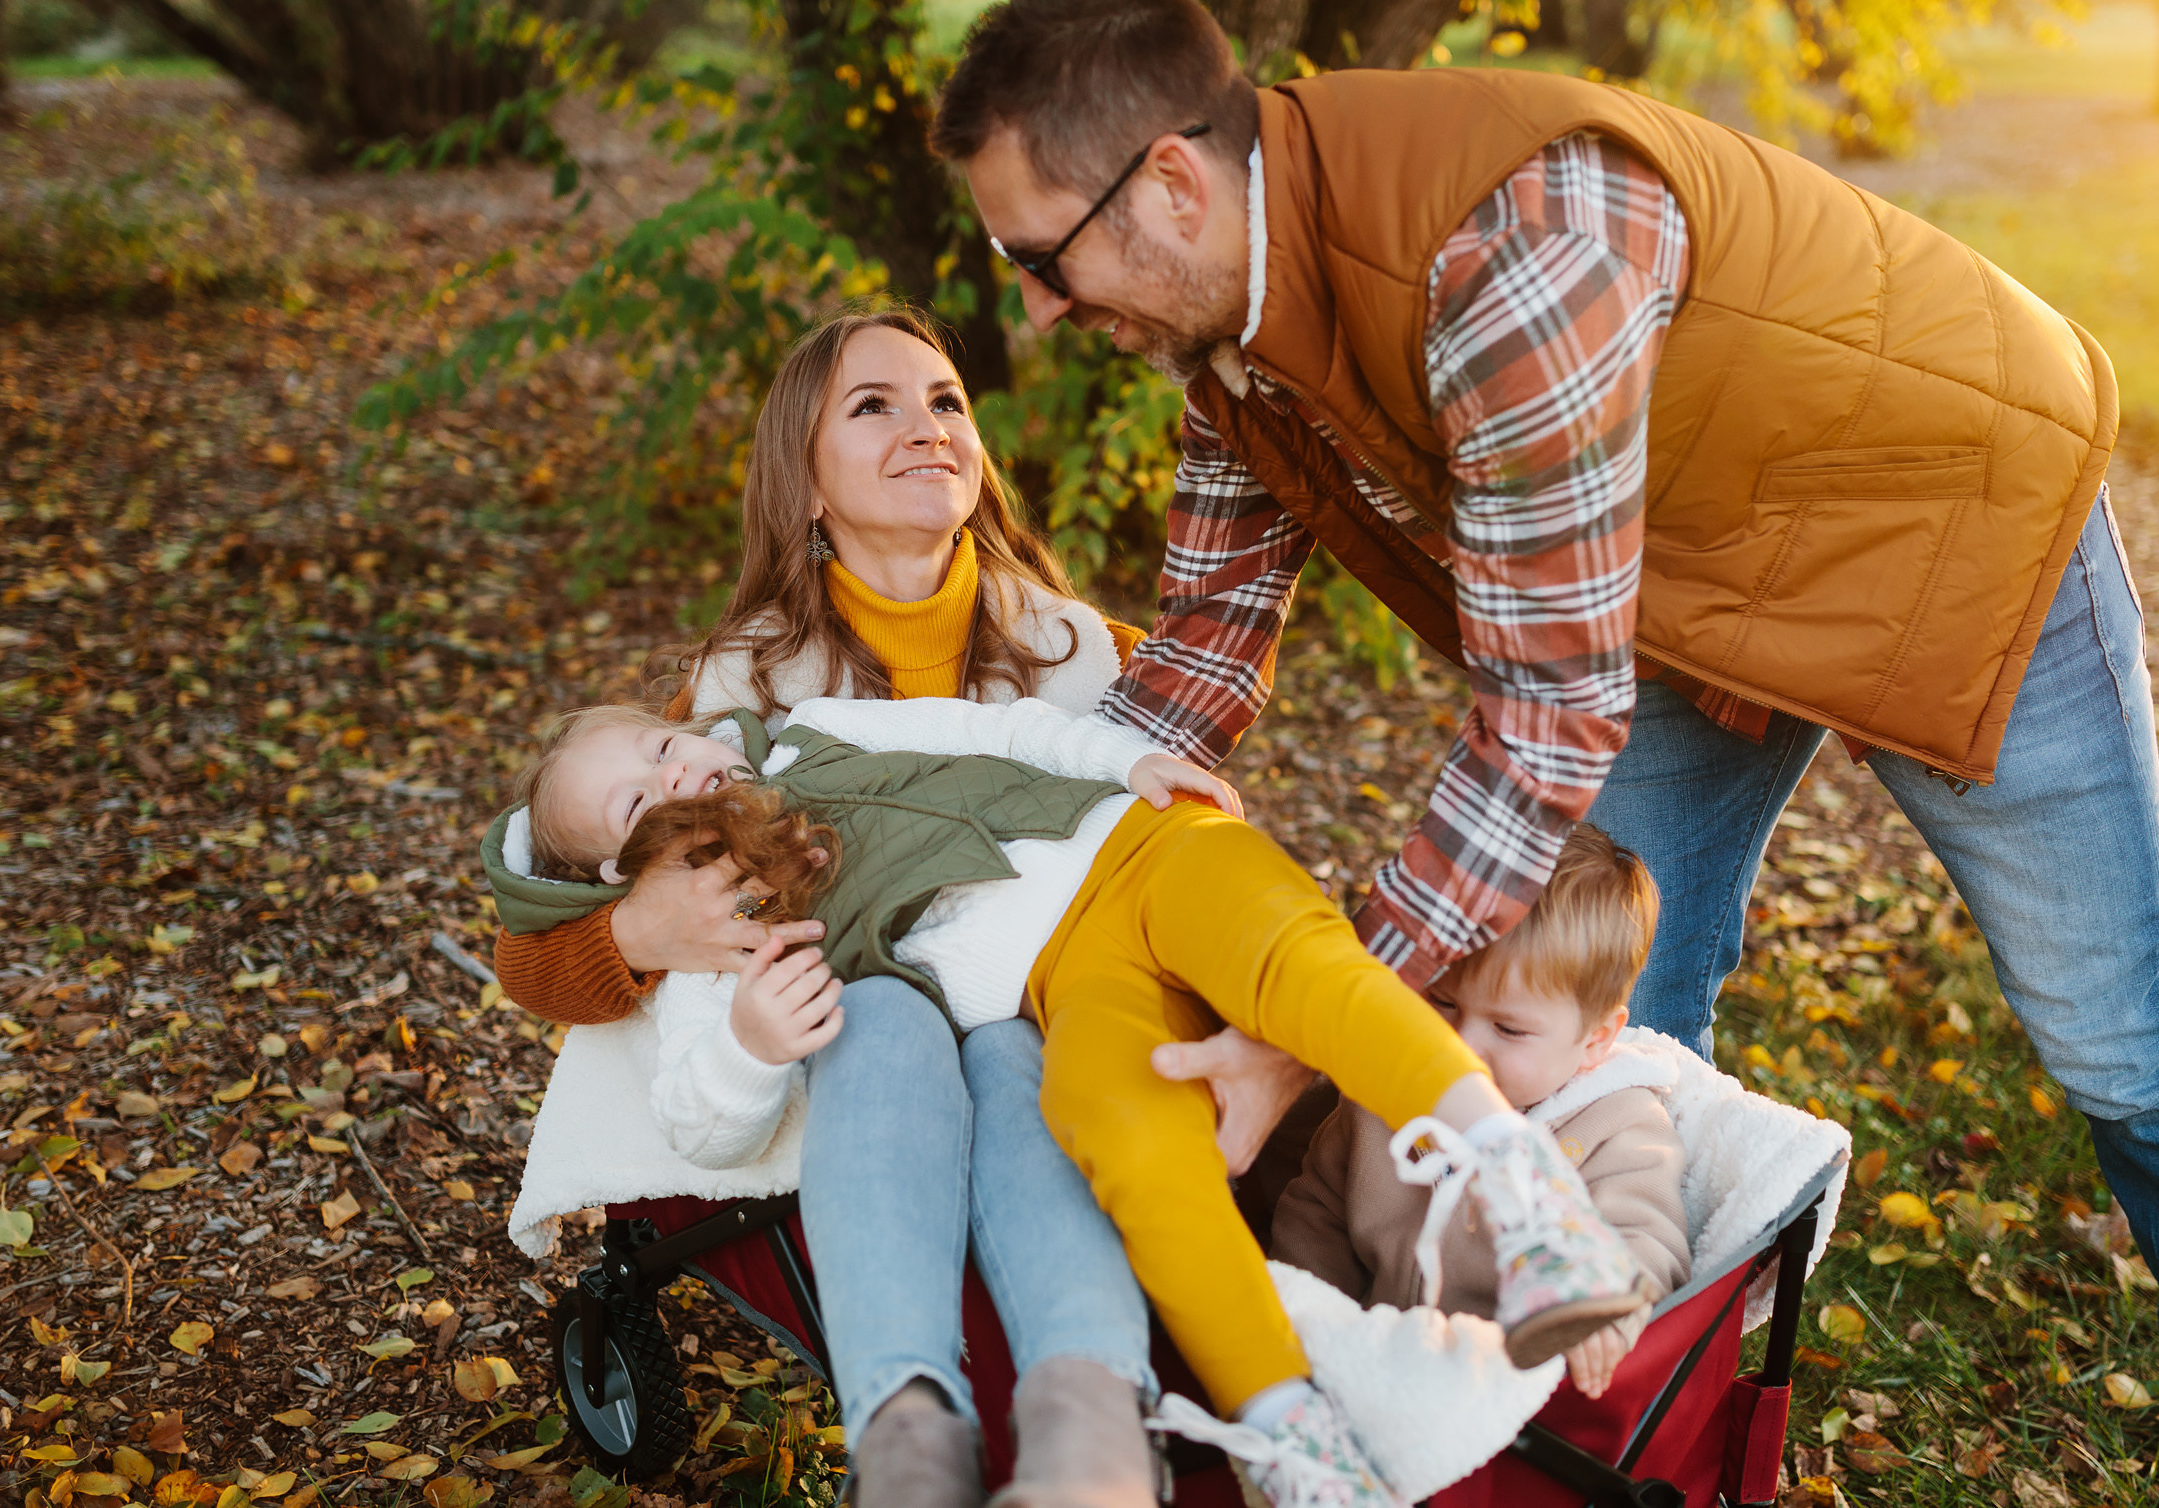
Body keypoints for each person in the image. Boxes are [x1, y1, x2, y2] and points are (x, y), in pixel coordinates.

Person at [928, 0, 2159, 1505]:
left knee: (2117, 1028)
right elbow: (1197, 653)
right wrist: (986, 839)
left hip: (1951, 521)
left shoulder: (1510, 238)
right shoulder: (1239, 345)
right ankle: (1609, 1428)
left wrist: (1301, 1022)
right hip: (1682, 583)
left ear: (1176, 183)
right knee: (1613, 1004)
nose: (1039, 310)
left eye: (1039, 256)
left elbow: (1543, 719)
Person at [497, 686, 1652, 1508]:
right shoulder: (710, 926)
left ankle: (1519, 1179)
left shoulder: (806, 728)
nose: (670, 771)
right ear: (617, 875)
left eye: (655, 742)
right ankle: (1292, 1439)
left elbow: (988, 727)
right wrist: (751, 1045)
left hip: (1138, 849)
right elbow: (700, 1114)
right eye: (633, 799)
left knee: (1300, 964)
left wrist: (1124, 763)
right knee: (1126, 1141)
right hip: (1059, 983)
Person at [489, 307, 1163, 1507]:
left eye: (946, 401)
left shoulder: (1076, 651)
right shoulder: (741, 692)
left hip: (1040, 991)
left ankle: (1089, 1428)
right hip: (847, 1022)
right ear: (803, 482)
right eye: (874, 406)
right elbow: (534, 956)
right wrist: (644, 932)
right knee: (888, 1023)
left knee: (1023, 1060)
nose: (925, 427)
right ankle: (908, 1437)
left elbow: (1156, 828)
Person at [1272, 823, 1687, 1401]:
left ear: (1596, 1039)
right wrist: (1307, 1326)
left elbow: (1649, 1239)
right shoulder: (1381, 1099)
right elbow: (1315, 1214)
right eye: (1442, 1003)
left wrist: (1603, 1313)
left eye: (1508, 1028)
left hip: (1510, 1392)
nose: (1460, 1045)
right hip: (1377, 1364)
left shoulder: (1618, 1124)